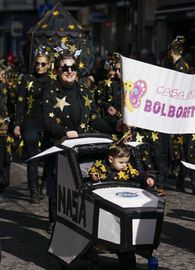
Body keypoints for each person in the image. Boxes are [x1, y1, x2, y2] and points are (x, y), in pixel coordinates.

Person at [43, 48, 117, 233]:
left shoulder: (84, 89)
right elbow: (48, 122)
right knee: (58, 184)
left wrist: (116, 126)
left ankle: (80, 216)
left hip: (81, 147)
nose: (69, 71)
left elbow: (94, 118)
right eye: (64, 68)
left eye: (73, 67)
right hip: (59, 146)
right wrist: (65, 131)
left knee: (81, 182)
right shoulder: (50, 91)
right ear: (57, 72)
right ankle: (55, 219)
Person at [14, 46, 53, 203]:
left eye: (43, 64)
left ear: (49, 65)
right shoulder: (27, 79)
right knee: (33, 157)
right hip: (31, 122)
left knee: (48, 155)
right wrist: (17, 124)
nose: (39, 67)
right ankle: (33, 190)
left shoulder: (53, 80)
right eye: (37, 63)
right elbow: (20, 103)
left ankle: (44, 182)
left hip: (48, 123)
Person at [166, 35, 195, 195]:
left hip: (184, 116)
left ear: (171, 51)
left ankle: (194, 185)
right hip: (181, 116)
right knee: (184, 151)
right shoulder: (180, 65)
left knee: (190, 151)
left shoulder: (180, 67)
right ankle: (182, 183)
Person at [89, 143, 155, 188]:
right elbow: (94, 173)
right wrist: (94, 177)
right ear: (111, 159)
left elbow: (137, 175)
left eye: (126, 162)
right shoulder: (100, 166)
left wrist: (146, 178)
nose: (124, 165)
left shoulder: (127, 168)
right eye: (121, 162)